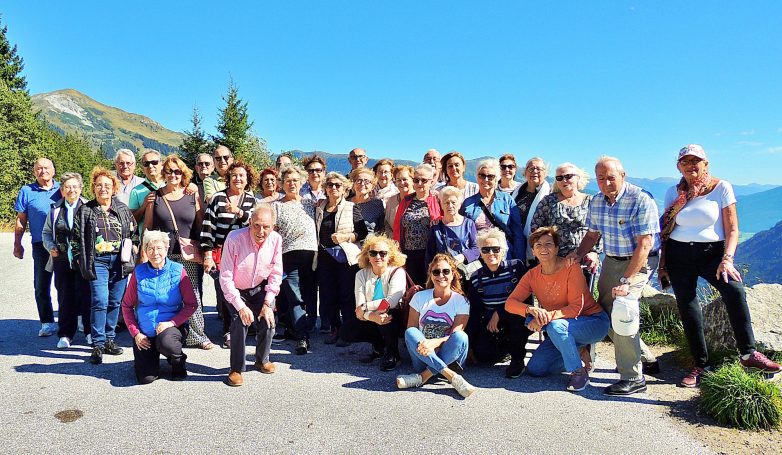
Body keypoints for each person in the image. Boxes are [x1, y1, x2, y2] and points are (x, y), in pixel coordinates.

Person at [659, 144, 781, 387]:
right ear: (678, 167)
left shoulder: (721, 187)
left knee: (734, 290)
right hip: (678, 254)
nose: (691, 166)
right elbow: (665, 231)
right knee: (687, 305)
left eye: (696, 161)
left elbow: (733, 229)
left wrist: (727, 259)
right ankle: (700, 365)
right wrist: (663, 264)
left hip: (712, 253)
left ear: (706, 164)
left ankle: (748, 354)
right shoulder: (673, 192)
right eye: (685, 162)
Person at [568, 156, 661, 396]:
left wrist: (627, 281)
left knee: (623, 309)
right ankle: (644, 356)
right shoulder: (597, 201)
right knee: (603, 312)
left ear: (623, 175)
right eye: (601, 178)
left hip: (639, 261)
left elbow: (645, 244)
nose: (606, 183)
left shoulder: (641, 199)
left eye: (611, 177)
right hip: (612, 259)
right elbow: (592, 235)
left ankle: (633, 377)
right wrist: (577, 255)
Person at [507, 227, 610, 392]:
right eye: (538, 245)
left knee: (555, 326)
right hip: (561, 326)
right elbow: (510, 303)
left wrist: (544, 319)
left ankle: (578, 372)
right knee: (536, 369)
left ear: (556, 248)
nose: (543, 248)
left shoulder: (571, 267)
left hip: (593, 322)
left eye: (548, 244)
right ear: (533, 251)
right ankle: (579, 349)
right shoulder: (532, 275)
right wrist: (531, 310)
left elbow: (575, 308)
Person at [144, 155, 213, 350]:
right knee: (166, 296)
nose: (173, 175)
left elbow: (201, 225)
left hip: (187, 254)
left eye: (177, 171)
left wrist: (205, 251)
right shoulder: (155, 196)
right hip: (162, 255)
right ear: (163, 173)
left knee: (192, 295)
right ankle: (168, 334)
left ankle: (197, 336)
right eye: (169, 171)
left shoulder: (192, 195)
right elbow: (148, 228)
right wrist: (144, 254)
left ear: (183, 174)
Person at [72, 167, 139, 365]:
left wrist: (134, 247)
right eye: (99, 185)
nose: (103, 188)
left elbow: (134, 231)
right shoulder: (85, 210)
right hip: (97, 261)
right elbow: (75, 238)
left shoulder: (122, 209)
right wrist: (78, 257)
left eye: (107, 185)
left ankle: (110, 339)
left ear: (114, 188)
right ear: (93, 187)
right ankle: (98, 344)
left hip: (120, 261)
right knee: (100, 300)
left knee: (115, 301)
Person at [121, 230, 197, 384]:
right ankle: (152, 357)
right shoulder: (139, 272)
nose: (155, 253)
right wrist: (136, 333)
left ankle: (178, 362)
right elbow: (126, 306)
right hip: (145, 331)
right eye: (150, 248)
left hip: (171, 328)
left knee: (166, 342)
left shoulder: (178, 270)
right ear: (145, 250)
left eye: (159, 248)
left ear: (167, 248)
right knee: (146, 378)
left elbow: (192, 304)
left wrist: (171, 323)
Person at [396, 254, 475, 398]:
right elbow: (412, 331)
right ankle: (450, 376)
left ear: (453, 274)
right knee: (410, 332)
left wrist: (434, 342)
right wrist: (427, 345)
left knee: (461, 336)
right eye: (436, 272)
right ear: (431, 275)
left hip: (451, 357)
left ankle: (423, 377)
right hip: (423, 355)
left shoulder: (461, 301)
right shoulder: (419, 297)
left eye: (446, 271)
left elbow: (455, 334)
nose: (441, 275)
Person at [221, 206, 283, 387]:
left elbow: (276, 274)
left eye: (266, 227)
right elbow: (225, 278)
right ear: (250, 223)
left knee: (268, 320)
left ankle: (262, 360)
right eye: (256, 225)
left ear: (273, 226)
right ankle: (236, 369)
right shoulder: (234, 238)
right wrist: (241, 307)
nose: (261, 231)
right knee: (240, 322)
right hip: (235, 290)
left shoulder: (276, 239)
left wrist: (268, 303)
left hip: (259, 287)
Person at [201, 161, 258, 348]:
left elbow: (256, 224)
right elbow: (208, 227)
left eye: (241, 175)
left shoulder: (251, 200)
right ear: (228, 178)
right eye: (234, 175)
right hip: (221, 251)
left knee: (243, 290)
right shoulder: (218, 198)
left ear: (247, 179)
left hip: (245, 253)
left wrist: (239, 212)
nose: (238, 178)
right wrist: (207, 254)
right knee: (225, 291)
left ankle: (245, 325)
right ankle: (229, 330)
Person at [466, 228, 531, 378]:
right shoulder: (476, 278)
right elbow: (475, 312)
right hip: (492, 324)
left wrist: (500, 312)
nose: (491, 253)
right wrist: (470, 345)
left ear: (503, 250)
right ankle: (506, 349)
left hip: (516, 317)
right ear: (481, 253)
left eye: (495, 249)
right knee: (482, 356)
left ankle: (517, 359)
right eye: (486, 250)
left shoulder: (516, 267)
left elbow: (525, 299)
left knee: (516, 321)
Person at [315, 172, 368, 344]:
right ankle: (335, 329)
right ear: (325, 188)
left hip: (345, 259)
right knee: (328, 295)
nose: (334, 188)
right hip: (324, 258)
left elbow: (362, 232)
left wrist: (346, 237)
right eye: (330, 185)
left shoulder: (352, 207)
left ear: (345, 188)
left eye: (338, 185)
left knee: (346, 296)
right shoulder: (320, 208)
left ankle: (347, 332)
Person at [340, 235, 407, 370]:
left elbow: (391, 301)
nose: (378, 256)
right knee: (346, 331)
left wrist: (366, 307)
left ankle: (393, 354)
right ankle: (378, 346)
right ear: (367, 256)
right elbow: (359, 307)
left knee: (386, 316)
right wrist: (371, 316)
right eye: (373, 253)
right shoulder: (361, 274)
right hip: (371, 315)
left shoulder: (397, 272)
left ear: (390, 255)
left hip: (394, 315)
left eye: (383, 253)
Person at [14, 157, 62, 337]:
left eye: (46, 167)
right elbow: (21, 220)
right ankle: (47, 322)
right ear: (34, 172)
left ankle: (74, 318)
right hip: (40, 245)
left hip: (63, 244)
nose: (43, 171)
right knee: (41, 285)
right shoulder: (27, 191)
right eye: (39, 168)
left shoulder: (62, 188)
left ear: (53, 170)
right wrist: (17, 244)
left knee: (67, 283)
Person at [273, 164, 318, 352]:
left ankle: (305, 327)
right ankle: (302, 336)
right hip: (288, 256)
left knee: (310, 294)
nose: (292, 184)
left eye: (295, 180)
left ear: (302, 182)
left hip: (311, 255)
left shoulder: (311, 203)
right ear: (282, 183)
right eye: (288, 181)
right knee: (295, 296)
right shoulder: (276, 206)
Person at [42, 172, 90, 348]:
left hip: (83, 260)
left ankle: (89, 332)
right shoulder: (55, 210)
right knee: (64, 297)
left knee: (86, 295)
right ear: (62, 190)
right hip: (61, 260)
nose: (72, 190)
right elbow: (46, 232)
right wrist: (50, 246)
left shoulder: (89, 207)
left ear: (81, 188)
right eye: (68, 187)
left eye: (75, 186)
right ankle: (65, 334)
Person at [530, 162, 600, 261]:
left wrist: (594, 253)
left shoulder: (591, 202)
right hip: (554, 260)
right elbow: (536, 229)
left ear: (578, 178)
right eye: (559, 178)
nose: (564, 180)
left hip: (585, 258)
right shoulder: (548, 201)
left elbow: (599, 230)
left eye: (568, 176)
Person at [460, 159, 526, 261]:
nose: (486, 179)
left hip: (503, 254)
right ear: (477, 177)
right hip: (477, 256)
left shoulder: (507, 200)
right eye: (482, 175)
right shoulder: (468, 203)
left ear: (497, 179)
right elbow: (462, 232)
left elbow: (517, 232)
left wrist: (519, 260)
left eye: (490, 176)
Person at [393, 164, 442, 286]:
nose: (419, 183)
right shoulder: (406, 200)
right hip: (409, 253)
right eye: (416, 180)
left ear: (431, 181)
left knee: (431, 285)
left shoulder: (437, 199)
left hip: (430, 252)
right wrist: (397, 249)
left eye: (424, 180)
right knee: (413, 287)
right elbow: (397, 226)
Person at [426, 186, 480, 276]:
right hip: (443, 274)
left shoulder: (468, 224)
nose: (450, 206)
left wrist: (463, 256)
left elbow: (476, 248)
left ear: (459, 204)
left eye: (453, 202)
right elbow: (430, 255)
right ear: (441, 205)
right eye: (446, 203)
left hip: (466, 273)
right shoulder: (436, 227)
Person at [516, 157, 551, 264]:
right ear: (525, 172)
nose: (535, 171)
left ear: (545, 173)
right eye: (531, 169)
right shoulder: (517, 192)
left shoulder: (551, 195)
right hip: (516, 243)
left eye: (539, 169)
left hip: (540, 247)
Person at [128, 149, 164, 223]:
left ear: (162, 164)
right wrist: (144, 206)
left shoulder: (171, 185)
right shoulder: (136, 191)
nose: (150, 166)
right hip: (147, 230)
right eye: (146, 163)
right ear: (143, 168)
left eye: (154, 162)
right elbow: (131, 221)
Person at [349, 168, 385, 236]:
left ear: (372, 186)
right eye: (359, 180)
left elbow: (381, 229)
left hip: (370, 241)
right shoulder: (346, 204)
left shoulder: (377, 204)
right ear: (353, 184)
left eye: (367, 181)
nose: (362, 184)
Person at [384, 165, 414, 237]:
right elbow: (387, 223)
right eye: (398, 180)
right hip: (394, 240)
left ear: (412, 180)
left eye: (405, 179)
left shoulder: (419, 199)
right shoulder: (391, 201)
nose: (402, 183)